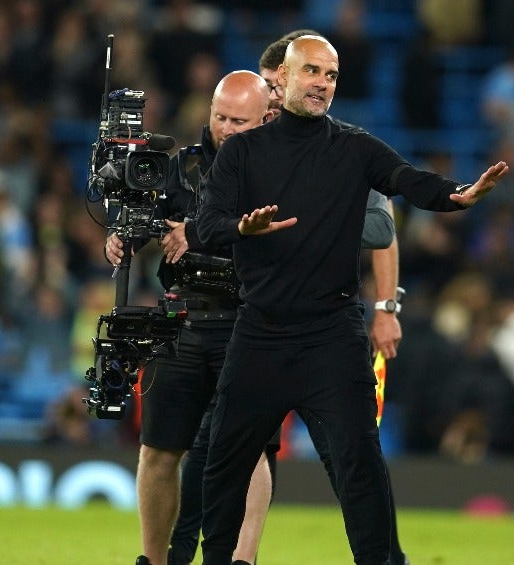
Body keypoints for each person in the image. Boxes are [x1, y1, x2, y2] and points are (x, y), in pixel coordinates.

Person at [195, 35, 507, 565]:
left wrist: (457, 196)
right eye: (312, 71)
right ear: (284, 80)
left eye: (332, 75)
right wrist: (242, 228)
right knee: (224, 464)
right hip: (260, 334)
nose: (322, 83)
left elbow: (407, 179)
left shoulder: (354, 147)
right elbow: (207, 224)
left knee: (360, 465)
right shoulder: (243, 152)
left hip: (331, 335)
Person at [105, 70, 396, 565]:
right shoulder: (181, 166)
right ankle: (153, 560)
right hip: (181, 320)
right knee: (157, 448)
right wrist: (124, 237)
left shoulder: (284, 166)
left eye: (239, 120)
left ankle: (243, 558)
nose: (226, 128)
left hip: (249, 323)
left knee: (252, 450)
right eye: (220, 116)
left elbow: (373, 226)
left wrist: (196, 231)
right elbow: (147, 219)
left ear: (267, 116)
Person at [255, 30, 409, 565]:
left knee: (348, 459)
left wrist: (387, 307)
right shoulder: (248, 141)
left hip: (321, 328)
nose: (274, 97)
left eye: (279, 86)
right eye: (271, 87)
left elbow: (382, 219)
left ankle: (386, 558)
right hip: (254, 323)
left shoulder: (334, 145)